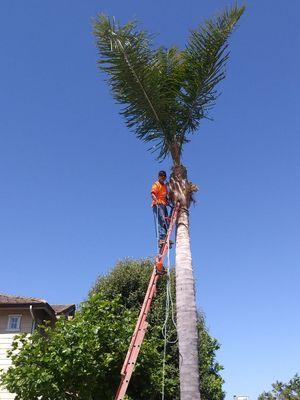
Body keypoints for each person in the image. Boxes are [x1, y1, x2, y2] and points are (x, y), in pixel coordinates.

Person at [151, 170, 172, 248]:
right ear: (159, 177)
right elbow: (153, 193)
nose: (162, 178)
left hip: (163, 205)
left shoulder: (165, 186)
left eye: (163, 177)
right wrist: (156, 200)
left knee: (166, 221)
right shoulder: (156, 184)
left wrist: (168, 202)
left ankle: (166, 237)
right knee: (161, 220)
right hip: (157, 205)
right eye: (161, 176)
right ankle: (162, 238)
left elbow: (165, 196)